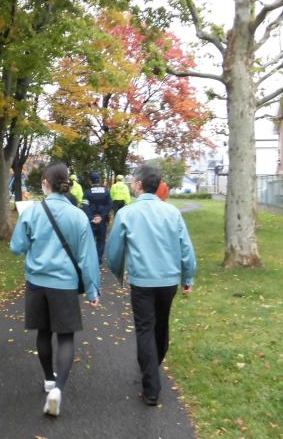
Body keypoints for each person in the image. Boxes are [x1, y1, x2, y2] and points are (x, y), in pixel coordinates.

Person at [10, 161, 100, 417]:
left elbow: (17, 247)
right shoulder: (78, 215)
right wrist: (92, 289)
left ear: (45, 184)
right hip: (65, 284)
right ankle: (58, 389)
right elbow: (88, 257)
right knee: (66, 336)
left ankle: (49, 378)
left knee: (43, 331)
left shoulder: (32, 212)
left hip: (37, 282)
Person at [105, 164, 196, 407]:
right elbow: (186, 249)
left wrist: (118, 273)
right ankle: (152, 366)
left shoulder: (127, 213)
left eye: (134, 181)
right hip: (168, 281)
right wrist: (187, 278)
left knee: (145, 328)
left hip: (142, 281)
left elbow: (113, 251)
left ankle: (151, 387)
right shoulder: (172, 213)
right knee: (160, 326)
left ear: (138, 185)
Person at [83, 171, 112, 264]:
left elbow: (85, 206)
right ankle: (98, 260)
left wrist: (92, 218)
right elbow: (109, 204)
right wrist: (101, 216)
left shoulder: (87, 192)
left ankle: (91, 259)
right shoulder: (106, 191)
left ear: (90, 181)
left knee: (90, 240)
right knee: (101, 240)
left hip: (91, 221)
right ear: (99, 180)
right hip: (102, 221)